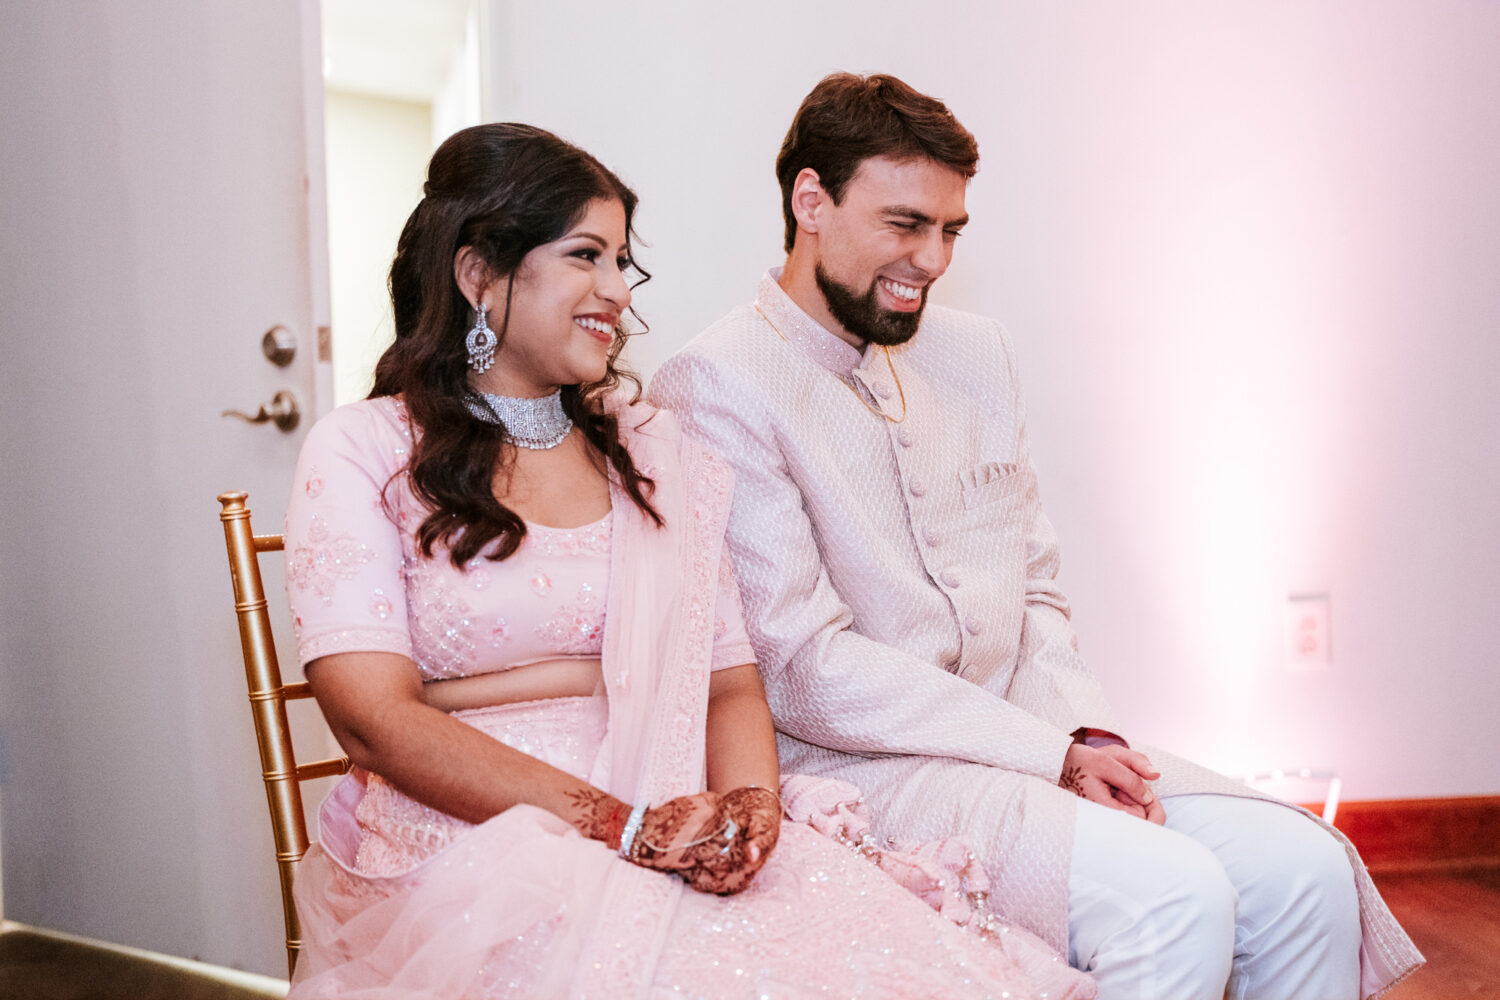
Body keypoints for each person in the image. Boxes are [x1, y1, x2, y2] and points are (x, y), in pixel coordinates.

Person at [648, 74, 1423, 1000]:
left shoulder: (976, 354)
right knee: (1173, 897)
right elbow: (804, 668)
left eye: (950, 231)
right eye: (906, 224)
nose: (932, 259)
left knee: (1306, 870)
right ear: (810, 201)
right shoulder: (717, 381)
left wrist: (1083, 732)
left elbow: (1037, 587)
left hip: (1041, 731)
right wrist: (1047, 754)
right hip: (873, 772)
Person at [281, 122, 1094, 999]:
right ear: (479, 273)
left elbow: (730, 682)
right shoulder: (365, 450)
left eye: (622, 262)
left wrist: (750, 815)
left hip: (676, 814)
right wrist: (616, 825)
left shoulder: (650, 450)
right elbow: (372, 720)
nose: (616, 292)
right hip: (477, 842)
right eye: (586, 256)